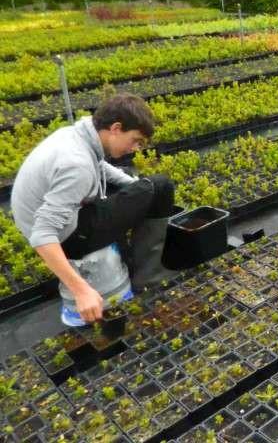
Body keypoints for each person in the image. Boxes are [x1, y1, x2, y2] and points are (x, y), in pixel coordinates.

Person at [10, 94, 176, 326]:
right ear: (116, 128)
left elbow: (100, 165)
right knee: (162, 186)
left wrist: (135, 187)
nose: (135, 149)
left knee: (145, 188)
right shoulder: (77, 166)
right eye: (135, 140)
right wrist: (81, 290)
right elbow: (42, 235)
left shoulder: (76, 135)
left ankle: (131, 255)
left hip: (60, 218)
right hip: (67, 237)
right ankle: (149, 277)